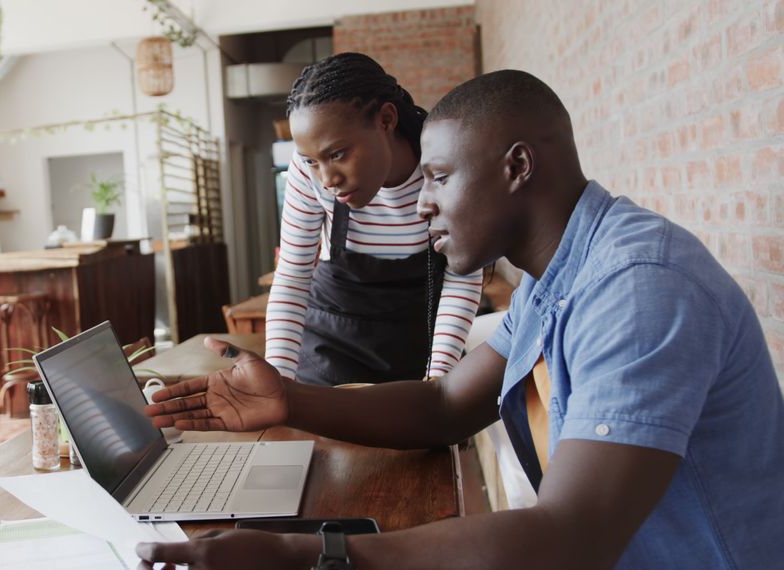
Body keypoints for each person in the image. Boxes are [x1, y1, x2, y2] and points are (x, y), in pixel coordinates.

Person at [137, 70, 784, 568]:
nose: (421, 206)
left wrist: (306, 554)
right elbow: (448, 403)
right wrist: (288, 401)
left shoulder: (639, 289)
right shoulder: (555, 278)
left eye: (439, 177)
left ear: (518, 167)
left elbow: (571, 537)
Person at [266, 52, 483, 386]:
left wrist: (439, 379)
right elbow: (293, 276)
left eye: (337, 154)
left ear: (386, 120)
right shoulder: (306, 171)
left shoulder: (444, 164)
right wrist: (277, 380)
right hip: (331, 347)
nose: (326, 179)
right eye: (312, 161)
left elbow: (462, 277)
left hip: (423, 341)